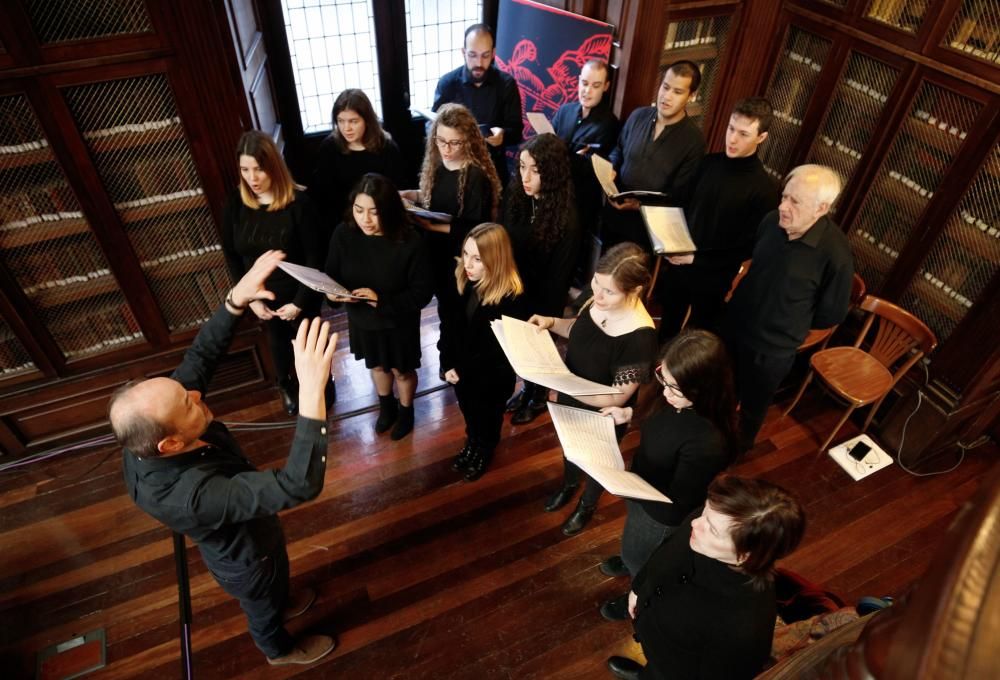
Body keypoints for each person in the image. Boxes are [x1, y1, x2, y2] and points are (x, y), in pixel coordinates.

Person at [111, 250, 339, 667]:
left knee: (276, 584)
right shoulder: (193, 497)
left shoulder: (151, 428)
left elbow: (199, 359)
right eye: (188, 404)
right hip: (248, 559)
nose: (195, 393)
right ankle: (278, 650)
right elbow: (298, 485)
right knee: (262, 606)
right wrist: (311, 391)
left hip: (257, 534)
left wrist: (235, 299)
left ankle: (282, 598)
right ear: (171, 445)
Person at [596, 329, 739, 622]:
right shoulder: (672, 397)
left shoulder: (707, 441)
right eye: (664, 380)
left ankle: (635, 587)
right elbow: (655, 420)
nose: (665, 392)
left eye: (675, 388)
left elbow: (678, 505)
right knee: (632, 543)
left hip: (660, 515)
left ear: (702, 388)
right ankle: (629, 559)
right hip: (641, 487)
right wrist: (627, 416)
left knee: (644, 555)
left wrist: (631, 487)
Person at [606, 475, 806, 680]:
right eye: (705, 510)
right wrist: (639, 588)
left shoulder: (744, 630)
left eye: (712, 529)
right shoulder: (707, 522)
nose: (694, 522)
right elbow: (666, 549)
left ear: (744, 555)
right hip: (653, 638)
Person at [527, 243, 658, 535]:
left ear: (634, 290)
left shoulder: (640, 337)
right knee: (571, 449)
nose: (597, 295)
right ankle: (570, 483)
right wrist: (551, 323)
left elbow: (618, 395)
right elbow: (579, 329)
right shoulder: (596, 297)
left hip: (601, 413)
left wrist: (563, 385)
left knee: (599, 463)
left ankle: (586, 504)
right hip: (570, 393)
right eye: (596, 283)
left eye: (608, 292)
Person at [722, 164, 854, 451]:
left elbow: (830, 314)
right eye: (784, 196)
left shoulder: (836, 254)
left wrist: (787, 320)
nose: (783, 206)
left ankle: (737, 449)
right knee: (723, 384)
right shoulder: (771, 222)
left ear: (821, 208)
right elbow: (753, 259)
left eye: (795, 202)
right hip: (736, 324)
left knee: (753, 406)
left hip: (773, 347)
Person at [656, 97, 780, 341]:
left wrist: (696, 258)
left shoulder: (764, 189)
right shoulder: (708, 163)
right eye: (731, 128)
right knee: (667, 325)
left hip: (713, 276)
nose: (732, 139)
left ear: (761, 138)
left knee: (695, 339)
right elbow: (681, 203)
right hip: (678, 261)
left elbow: (748, 247)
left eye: (744, 134)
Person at [222, 130, 327, 416]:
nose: (252, 178)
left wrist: (301, 303)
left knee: (309, 341)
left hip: (300, 291)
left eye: (259, 169)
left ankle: (322, 382)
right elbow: (232, 254)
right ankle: (285, 385)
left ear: (274, 167)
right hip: (262, 295)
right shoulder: (235, 203)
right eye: (245, 170)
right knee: (277, 341)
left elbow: (316, 257)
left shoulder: (299, 204)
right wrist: (250, 298)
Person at [325, 174, 432, 440]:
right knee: (376, 366)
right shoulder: (343, 234)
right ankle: (386, 408)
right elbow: (330, 275)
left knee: (401, 370)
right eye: (359, 210)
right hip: (362, 319)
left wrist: (380, 300)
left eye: (374, 212)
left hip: (398, 321)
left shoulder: (410, 240)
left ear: (389, 210)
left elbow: (422, 294)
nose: (365, 219)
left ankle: (406, 412)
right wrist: (335, 295)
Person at [401, 103, 502, 366]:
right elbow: (438, 199)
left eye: (454, 143)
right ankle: (448, 355)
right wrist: (414, 197)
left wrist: (433, 227)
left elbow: (475, 230)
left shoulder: (475, 177)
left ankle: (453, 362)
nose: (446, 149)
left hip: (460, 258)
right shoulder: (437, 163)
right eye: (441, 140)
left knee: (456, 312)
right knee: (445, 310)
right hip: (434, 249)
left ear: (468, 141)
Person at [502, 133, 581, 424]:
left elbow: (558, 279)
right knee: (520, 350)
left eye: (535, 170)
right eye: (522, 166)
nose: (526, 177)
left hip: (544, 296)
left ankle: (537, 395)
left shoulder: (567, 218)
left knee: (539, 348)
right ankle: (525, 390)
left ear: (552, 173)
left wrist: (541, 314)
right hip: (515, 289)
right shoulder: (518, 196)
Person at [440, 223, 526, 480]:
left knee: (488, 419)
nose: (468, 263)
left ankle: (484, 450)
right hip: (462, 372)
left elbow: (497, 352)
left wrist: (461, 368)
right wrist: (447, 363)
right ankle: (472, 442)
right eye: (466, 254)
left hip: (490, 378)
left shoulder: (512, 298)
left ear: (495, 259)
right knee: (469, 412)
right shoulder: (461, 280)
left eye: (477, 259)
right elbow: (448, 328)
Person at [602, 61, 705, 252]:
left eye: (677, 92)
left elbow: (680, 196)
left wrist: (639, 205)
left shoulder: (694, 140)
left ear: (691, 96)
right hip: (613, 211)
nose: (667, 96)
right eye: (665, 87)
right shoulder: (638, 116)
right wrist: (611, 166)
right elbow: (619, 149)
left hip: (646, 228)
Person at [551, 59, 619, 277]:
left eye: (595, 86)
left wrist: (568, 155)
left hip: (581, 199)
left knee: (569, 254)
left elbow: (594, 168)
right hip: (555, 190)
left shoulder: (609, 123)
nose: (587, 91)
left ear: (606, 86)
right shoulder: (565, 110)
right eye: (584, 83)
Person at [432, 23, 523, 184]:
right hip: (453, 165)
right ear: (463, 52)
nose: (479, 63)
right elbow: (432, 125)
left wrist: (502, 135)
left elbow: (516, 131)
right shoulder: (448, 84)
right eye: (472, 55)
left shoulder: (506, 84)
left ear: (493, 53)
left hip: (492, 168)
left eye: (485, 55)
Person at [310, 89, 405, 234]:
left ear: (367, 120)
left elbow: (395, 193)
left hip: (379, 221)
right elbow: (323, 196)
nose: (346, 128)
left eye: (353, 121)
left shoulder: (387, 148)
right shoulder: (329, 148)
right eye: (340, 121)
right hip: (340, 223)